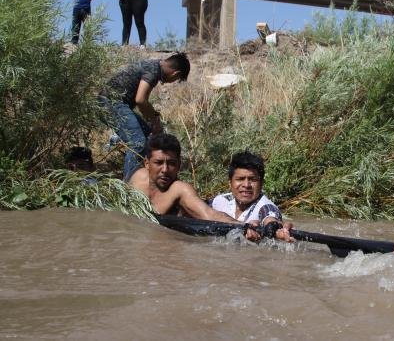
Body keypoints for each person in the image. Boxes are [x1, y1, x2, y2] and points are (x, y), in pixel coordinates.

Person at [130, 134, 292, 242]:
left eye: (171, 164)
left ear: (179, 165)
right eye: (158, 163)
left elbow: (208, 214)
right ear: (146, 164)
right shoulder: (136, 179)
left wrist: (261, 227)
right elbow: (209, 206)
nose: (165, 169)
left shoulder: (181, 190)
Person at [99, 52, 190, 181]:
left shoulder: (153, 66)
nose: (170, 82)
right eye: (175, 80)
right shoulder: (153, 71)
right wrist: (154, 119)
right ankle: (131, 185)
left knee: (147, 134)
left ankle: (144, 176)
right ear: (175, 74)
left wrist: (153, 120)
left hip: (113, 102)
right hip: (110, 103)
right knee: (138, 143)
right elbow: (141, 100)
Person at [209, 151, 295, 242]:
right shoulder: (220, 200)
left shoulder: (265, 206)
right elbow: (198, 209)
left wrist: (277, 228)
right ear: (230, 182)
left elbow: (270, 219)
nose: (246, 185)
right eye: (240, 179)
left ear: (261, 183)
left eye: (253, 179)